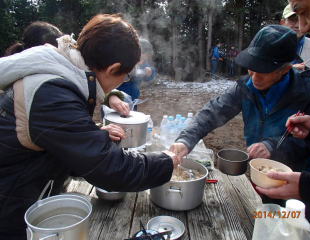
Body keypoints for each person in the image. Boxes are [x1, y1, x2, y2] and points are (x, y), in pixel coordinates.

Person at [0, 14, 178, 239]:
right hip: (10, 210)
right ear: (113, 68)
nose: (121, 84)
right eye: (123, 77)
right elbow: (111, 169)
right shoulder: (52, 91)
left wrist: (92, 136)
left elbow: (56, 140)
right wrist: (166, 161)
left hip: (27, 195)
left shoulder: (60, 73)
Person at [169, 25, 310, 208]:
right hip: (259, 172)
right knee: (262, 218)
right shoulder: (246, 87)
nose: (254, 77)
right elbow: (213, 111)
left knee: (293, 227)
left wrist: (272, 145)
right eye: (251, 68)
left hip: (295, 180)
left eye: (263, 71)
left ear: (285, 70)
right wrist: (186, 139)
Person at [256, 0, 310, 201]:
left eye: (304, 12)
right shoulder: (250, 85)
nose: (302, 27)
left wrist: (309, 186)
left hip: (301, 170)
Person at [280, 4, 310, 75]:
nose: (298, 25)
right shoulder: (270, 46)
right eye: (293, 20)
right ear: (282, 23)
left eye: (303, 19)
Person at [117, 38, 157, 107]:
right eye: (143, 55)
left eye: (147, 56)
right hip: (117, 97)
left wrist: (150, 72)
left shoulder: (143, 63)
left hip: (133, 98)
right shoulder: (123, 60)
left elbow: (150, 74)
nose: (145, 58)